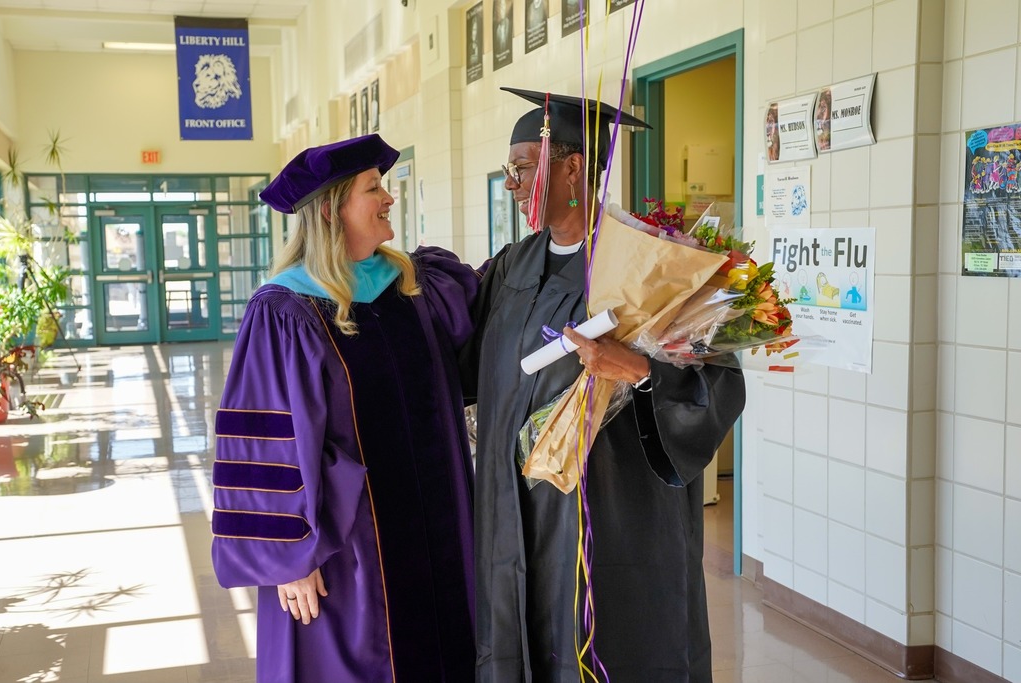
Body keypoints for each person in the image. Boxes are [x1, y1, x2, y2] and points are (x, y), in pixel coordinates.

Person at [462, 88, 746, 682]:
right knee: (522, 628)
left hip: (609, 508)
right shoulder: (512, 265)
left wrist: (638, 370)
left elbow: (716, 384)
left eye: (523, 169)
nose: (511, 185)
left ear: (572, 168)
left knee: (609, 638)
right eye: (509, 171)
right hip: (516, 503)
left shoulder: (648, 264)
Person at [211, 134, 478, 683]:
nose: (389, 198)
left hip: (440, 526)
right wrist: (289, 558)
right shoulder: (285, 311)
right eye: (374, 188)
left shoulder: (413, 285)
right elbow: (263, 442)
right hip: (348, 548)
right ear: (333, 208)